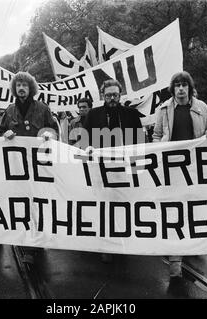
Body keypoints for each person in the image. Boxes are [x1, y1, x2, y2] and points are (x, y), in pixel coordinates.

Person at [152, 71, 207, 278]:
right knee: (174, 211)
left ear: (190, 88)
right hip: (171, 169)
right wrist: (159, 149)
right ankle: (175, 261)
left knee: (193, 210)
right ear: (173, 89)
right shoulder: (163, 109)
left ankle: (190, 245)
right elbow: (155, 135)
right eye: (177, 85)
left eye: (184, 85)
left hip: (194, 169)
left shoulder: (202, 108)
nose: (181, 88)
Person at [0, 71, 58, 265]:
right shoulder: (9, 110)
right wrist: (5, 134)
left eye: (25, 85)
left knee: (37, 203)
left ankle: (35, 243)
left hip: (38, 165)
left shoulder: (42, 108)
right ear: (14, 89)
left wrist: (48, 135)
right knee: (22, 203)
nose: (21, 88)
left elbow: (53, 130)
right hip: (17, 166)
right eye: (18, 85)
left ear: (30, 88)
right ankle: (27, 241)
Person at [83, 79, 144, 263]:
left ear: (120, 95)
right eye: (108, 95)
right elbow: (85, 141)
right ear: (103, 96)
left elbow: (140, 142)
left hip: (124, 170)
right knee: (103, 206)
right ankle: (107, 244)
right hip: (100, 169)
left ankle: (122, 240)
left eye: (115, 95)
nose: (112, 98)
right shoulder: (93, 114)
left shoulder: (131, 114)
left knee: (123, 206)